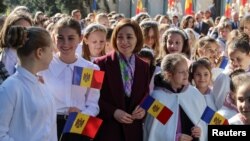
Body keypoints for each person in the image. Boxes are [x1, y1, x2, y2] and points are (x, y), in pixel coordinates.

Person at [40, 17, 100, 141]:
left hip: (80, 123)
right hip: (50, 124)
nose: (65, 43)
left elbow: (94, 105)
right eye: (60, 38)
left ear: (81, 38)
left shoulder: (91, 68)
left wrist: (83, 114)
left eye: (71, 38)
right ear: (53, 38)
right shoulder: (44, 65)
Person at [94, 19, 150, 141]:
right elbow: (92, 97)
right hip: (108, 130)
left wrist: (143, 109)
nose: (124, 41)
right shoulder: (99, 64)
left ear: (137, 39)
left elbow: (146, 94)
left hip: (133, 130)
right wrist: (113, 112)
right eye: (120, 37)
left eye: (129, 37)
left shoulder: (144, 66)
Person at [0, 26, 57, 141]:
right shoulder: (10, 88)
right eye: (51, 50)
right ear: (40, 52)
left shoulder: (40, 83)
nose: (54, 54)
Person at [144, 53, 207, 141]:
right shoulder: (156, 97)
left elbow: (205, 120)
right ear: (168, 74)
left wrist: (200, 131)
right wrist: (176, 137)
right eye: (181, 72)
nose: (186, 74)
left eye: (187, 70)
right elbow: (154, 130)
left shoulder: (194, 94)